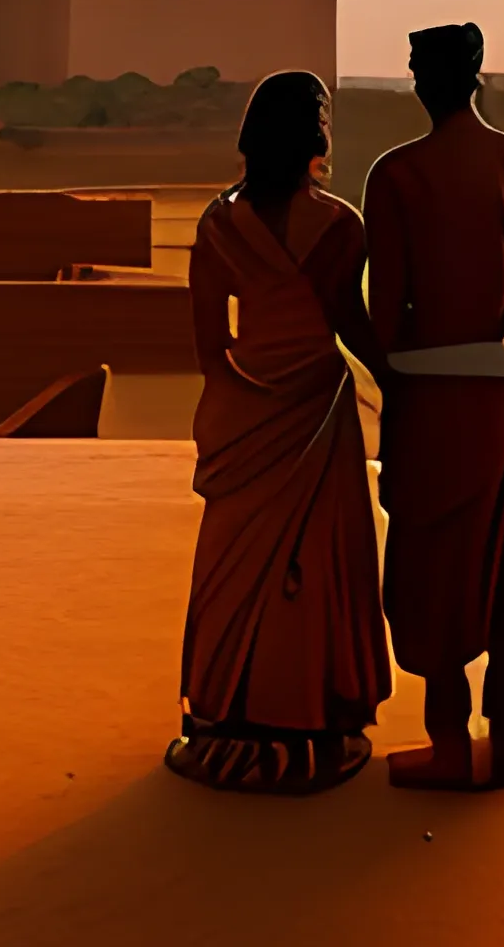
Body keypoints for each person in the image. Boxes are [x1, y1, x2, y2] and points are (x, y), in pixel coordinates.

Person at [163, 70, 391, 795]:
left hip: (244, 408)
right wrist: (406, 377)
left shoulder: (217, 223)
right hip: (315, 411)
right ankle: (309, 716)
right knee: (316, 567)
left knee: (235, 566)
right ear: (313, 132)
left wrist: (240, 392)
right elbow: (350, 327)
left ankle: (227, 711)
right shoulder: (340, 225)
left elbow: (208, 345)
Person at [364, 22, 504, 790]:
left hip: (431, 392)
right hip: (502, 392)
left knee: (433, 561)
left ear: (440, 76)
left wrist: (399, 383)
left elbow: (388, 310)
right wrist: (488, 348)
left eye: (419, 66)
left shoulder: (397, 173)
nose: (415, 77)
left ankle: (451, 746)